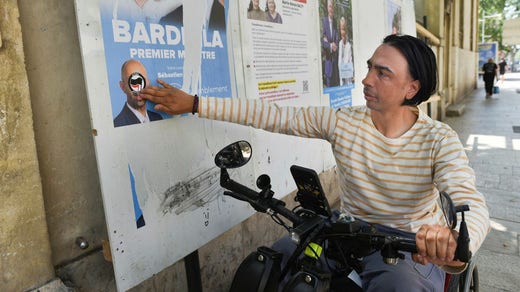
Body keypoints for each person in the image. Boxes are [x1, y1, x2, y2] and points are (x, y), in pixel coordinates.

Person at [141, 35, 489, 291]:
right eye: (369, 68)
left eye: (382, 73)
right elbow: (272, 115)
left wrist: (457, 239)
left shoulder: (438, 138)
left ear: (411, 88)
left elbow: (468, 200)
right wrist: (195, 104)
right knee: (272, 264)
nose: (366, 79)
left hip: (405, 246)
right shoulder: (344, 122)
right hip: (345, 231)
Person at [113, 59, 163, 127]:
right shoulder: (118, 124)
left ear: (148, 83)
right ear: (123, 87)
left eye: (142, 81)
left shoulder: (157, 118)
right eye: (133, 82)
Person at [321, 0, 340, 87]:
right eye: (329, 6)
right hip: (328, 61)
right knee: (329, 88)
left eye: (332, 6)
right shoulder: (324, 21)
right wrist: (330, 45)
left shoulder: (335, 22)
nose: (331, 8)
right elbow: (322, 41)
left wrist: (331, 43)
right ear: (327, 8)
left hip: (335, 63)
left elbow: (337, 40)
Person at [338, 16, 354, 85]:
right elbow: (339, 61)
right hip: (342, 74)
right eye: (341, 29)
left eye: (344, 29)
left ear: (346, 30)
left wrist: (350, 73)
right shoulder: (340, 43)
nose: (343, 32)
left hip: (348, 76)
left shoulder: (349, 45)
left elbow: (350, 61)